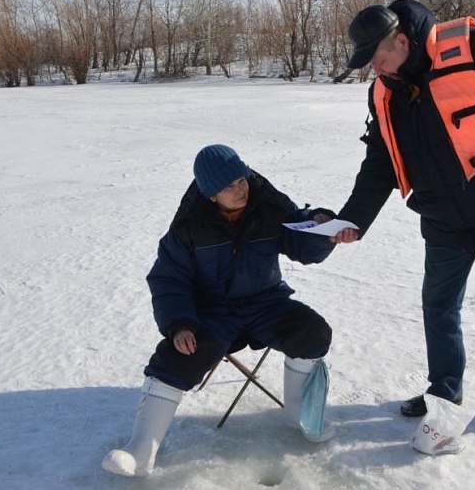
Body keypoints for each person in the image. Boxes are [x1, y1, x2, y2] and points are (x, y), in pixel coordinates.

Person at [332, 0, 475, 445]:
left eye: (377, 60)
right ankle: (444, 396)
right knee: (439, 308)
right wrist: (354, 218)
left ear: (401, 41)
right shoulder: (386, 91)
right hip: (443, 216)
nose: (374, 71)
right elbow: (380, 160)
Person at [102, 144, 336, 478]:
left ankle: (298, 414)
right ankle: (140, 451)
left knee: (312, 332)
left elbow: (300, 241)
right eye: (230, 186)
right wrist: (180, 324)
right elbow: (169, 279)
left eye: (241, 179)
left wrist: (318, 227)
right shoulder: (188, 226)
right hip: (213, 313)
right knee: (176, 356)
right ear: (211, 194)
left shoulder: (268, 205)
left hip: (265, 303)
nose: (241, 189)